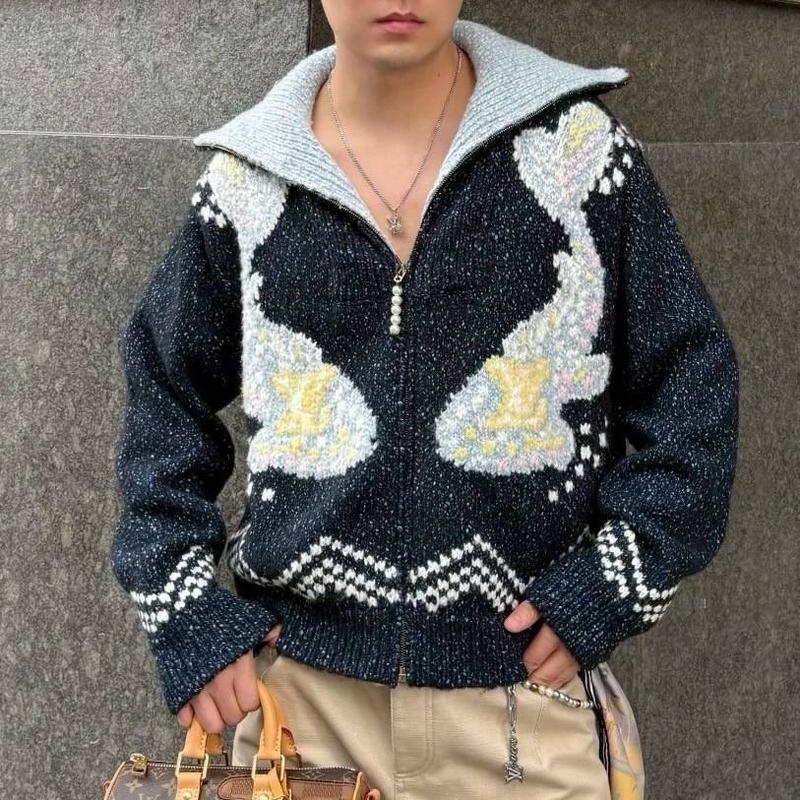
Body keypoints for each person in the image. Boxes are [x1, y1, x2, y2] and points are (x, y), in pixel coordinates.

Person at [110, 3, 739, 798]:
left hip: (522, 719)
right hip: (299, 720)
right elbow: (163, 396)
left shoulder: (579, 155)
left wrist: (615, 580)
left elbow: (691, 386)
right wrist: (184, 609)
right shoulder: (246, 182)